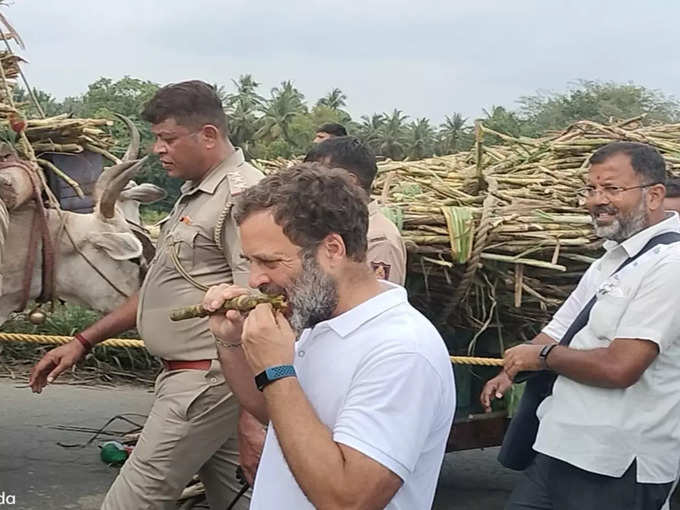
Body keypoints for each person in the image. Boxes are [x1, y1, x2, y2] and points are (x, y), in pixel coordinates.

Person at [28, 80, 263, 510]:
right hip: (196, 379)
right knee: (239, 500)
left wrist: (253, 414)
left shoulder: (242, 197)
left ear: (209, 135)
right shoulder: (193, 196)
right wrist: (82, 341)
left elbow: (255, 309)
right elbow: (158, 290)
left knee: (129, 502)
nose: (159, 149)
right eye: (155, 138)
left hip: (207, 382)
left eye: (168, 138)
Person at [202, 163, 455, 509]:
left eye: (270, 262)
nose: (255, 280)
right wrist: (231, 342)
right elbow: (277, 415)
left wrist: (277, 372)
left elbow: (348, 499)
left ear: (333, 249)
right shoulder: (316, 317)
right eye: (250, 262)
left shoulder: (402, 351)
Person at [481, 141, 680, 510]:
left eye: (611, 189)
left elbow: (621, 367)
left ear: (654, 196)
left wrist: (541, 356)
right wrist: (512, 369)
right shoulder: (609, 260)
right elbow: (562, 326)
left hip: (616, 465)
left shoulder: (671, 265)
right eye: (590, 189)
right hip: (559, 447)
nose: (596, 200)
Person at [305, 136, 407, 285]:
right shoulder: (331, 225)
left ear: (349, 181)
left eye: (318, 178)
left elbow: (376, 303)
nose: (310, 186)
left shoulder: (379, 240)